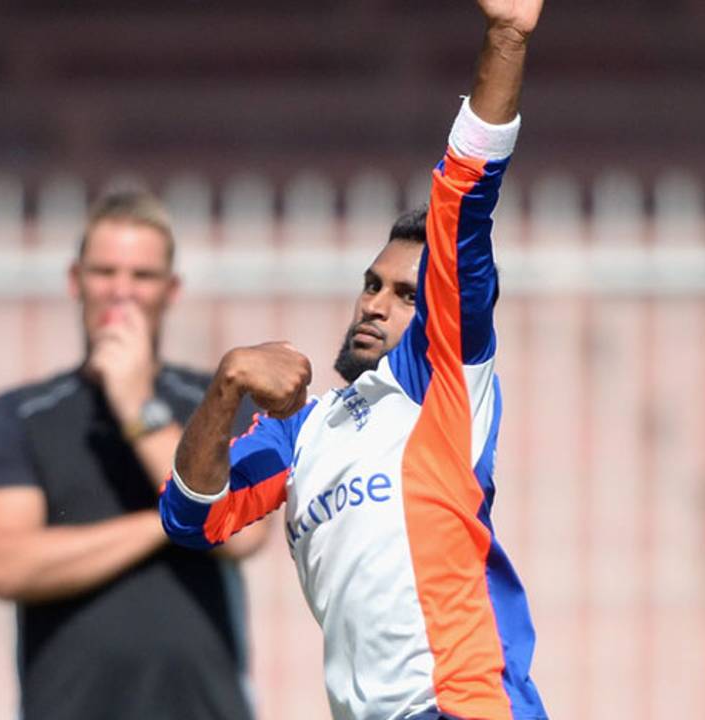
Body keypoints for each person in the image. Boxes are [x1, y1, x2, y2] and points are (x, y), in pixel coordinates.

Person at [158, 1, 550, 719]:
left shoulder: (440, 386)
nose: (375, 303)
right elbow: (191, 518)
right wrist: (228, 383)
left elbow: (461, 199)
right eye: (371, 284)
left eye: (405, 294)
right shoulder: (302, 434)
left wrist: (505, 38)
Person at [0, 190, 269, 720]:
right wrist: (169, 524)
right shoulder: (20, 414)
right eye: (104, 272)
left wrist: (137, 406)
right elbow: (8, 564)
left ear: (170, 290)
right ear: (74, 281)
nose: (121, 293)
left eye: (142, 276)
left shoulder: (217, 401)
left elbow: (244, 532)